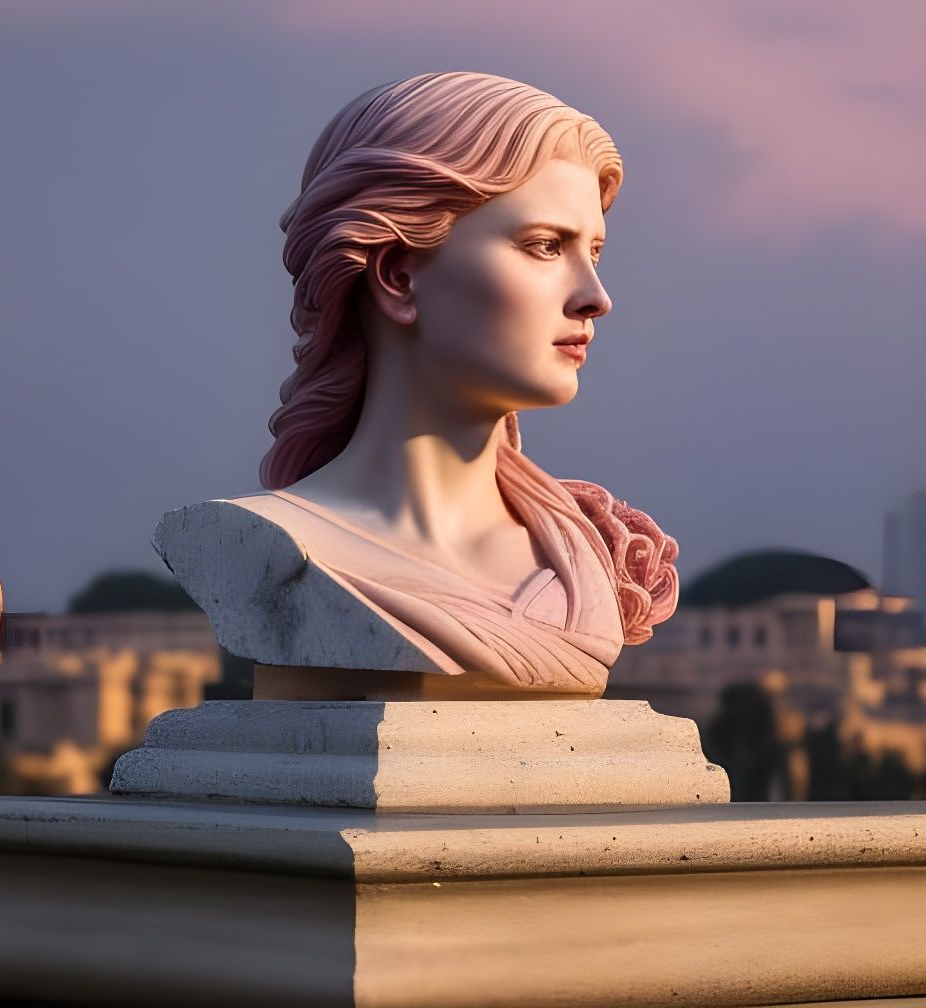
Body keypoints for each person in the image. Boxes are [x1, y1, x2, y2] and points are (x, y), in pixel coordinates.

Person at [165, 71, 678, 695]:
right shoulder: (264, 546)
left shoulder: (578, 558)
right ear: (397, 275)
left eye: (594, 253)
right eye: (545, 246)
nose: (595, 298)